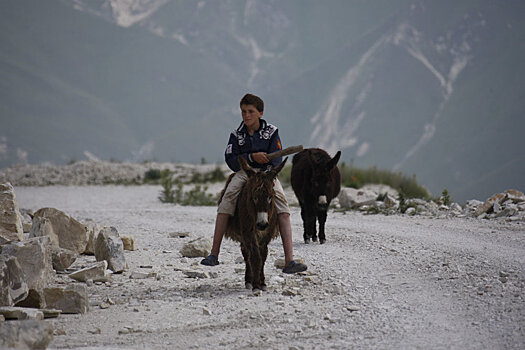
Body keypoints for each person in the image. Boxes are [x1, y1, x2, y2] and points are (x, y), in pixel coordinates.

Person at [201, 93, 307, 274]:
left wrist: (266, 169)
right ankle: (214, 254)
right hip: (245, 173)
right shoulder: (236, 134)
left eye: (250, 111)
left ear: (260, 113)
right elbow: (231, 159)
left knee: (283, 206)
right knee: (228, 198)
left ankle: (289, 259)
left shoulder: (272, 132)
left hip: (267, 174)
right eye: (243, 112)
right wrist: (251, 157)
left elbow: (276, 157)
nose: (246, 115)